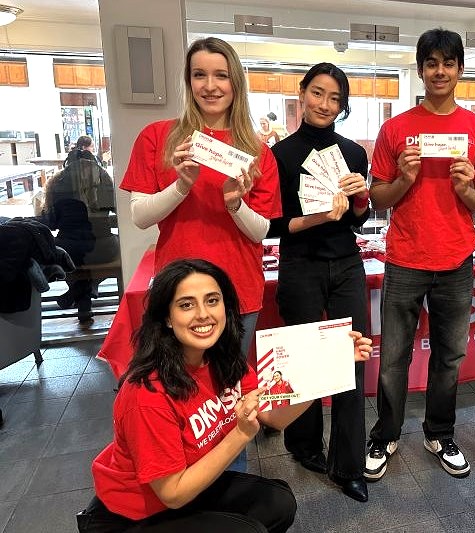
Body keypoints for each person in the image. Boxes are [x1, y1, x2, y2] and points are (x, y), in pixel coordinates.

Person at [78, 258, 372, 532]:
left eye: (212, 300)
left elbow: (273, 417)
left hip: (189, 487)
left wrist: (327, 370)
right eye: (186, 305)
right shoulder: (147, 393)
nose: (203, 314)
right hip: (133, 515)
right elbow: (173, 494)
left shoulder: (222, 360)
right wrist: (240, 435)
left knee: (279, 503)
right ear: (167, 317)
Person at [365, 28, 475, 482]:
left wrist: (464, 188)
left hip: (457, 262)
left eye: (448, 63)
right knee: (394, 356)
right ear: (420, 70)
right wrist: (403, 178)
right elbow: (377, 200)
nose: (440, 71)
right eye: (431, 63)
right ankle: (385, 434)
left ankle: (440, 432)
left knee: (450, 357)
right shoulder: (395, 129)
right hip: (404, 258)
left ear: (459, 69)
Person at [120, 36, 281, 364]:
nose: (210, 86)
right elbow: (140, 216)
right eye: (199, 75)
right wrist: (181, 186)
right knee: (177, 388)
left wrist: (235, 204)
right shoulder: (158, 137)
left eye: (221, 75)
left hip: (238, 290)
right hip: (178, 291)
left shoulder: (257, 150)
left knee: (228, 392)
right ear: (188, 81)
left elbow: (260, 231)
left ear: (235, 82)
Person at [267, 62, 372, 502]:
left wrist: (361, 196)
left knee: (353, 358)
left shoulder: (353, 152)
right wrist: (314, 218)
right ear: (302, 93)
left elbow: (361, 219)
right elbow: (271, 224)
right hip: (300, 265)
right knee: (304, 362)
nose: (325, 104)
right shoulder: (278, 155)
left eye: (335, 98)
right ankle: (305, 445)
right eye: (318, 93)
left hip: (346, 262)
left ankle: (349, 465)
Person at [41, 143, 119, 324]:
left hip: (69, 249)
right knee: (120, 246)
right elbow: (117, 211)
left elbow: (51, 223)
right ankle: (86, 293)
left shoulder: (58, 184)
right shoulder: (104, 180)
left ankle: (79, 296)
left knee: (62, 257)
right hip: (103, 247)